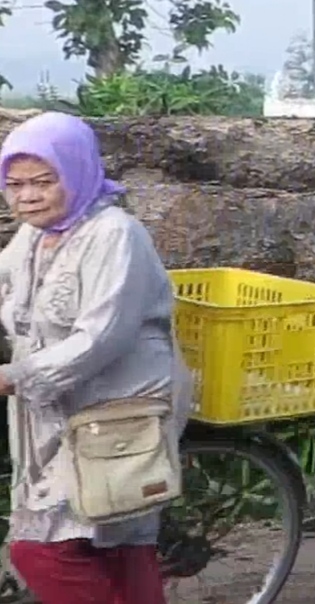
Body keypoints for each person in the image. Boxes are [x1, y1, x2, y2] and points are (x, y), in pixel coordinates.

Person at [0, 111, 191, 604]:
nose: (27, 196)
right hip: (61, 410)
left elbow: (100, 334)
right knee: (117, 548)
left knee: (40, 551)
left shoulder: (115, 234)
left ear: (77, 171)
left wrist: (17, 375)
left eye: (43, 181)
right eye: (14, 184)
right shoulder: (33, 237)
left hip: (119, 407)